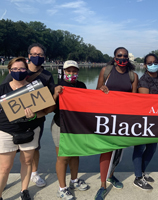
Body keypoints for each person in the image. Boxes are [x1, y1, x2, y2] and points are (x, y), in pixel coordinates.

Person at [0, 57, 56, 200]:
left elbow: (47, 110)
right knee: (5, 167)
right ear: (9, 70)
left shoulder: (36, 89)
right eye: (15, 69)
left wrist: (34, 115)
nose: (19, 71)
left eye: (22, 69)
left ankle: (24, 190)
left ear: (27, 70)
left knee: (27, 161)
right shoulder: (2, 89)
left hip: (30, 130)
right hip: (6, 130)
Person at [95, 47, 138, 200]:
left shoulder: (133, 76)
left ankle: (111, 175)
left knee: (118, 151)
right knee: (106, 150)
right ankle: (102, 185)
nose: (122, 58)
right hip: (106, 118)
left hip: (122, 120)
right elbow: (96, 91)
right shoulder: (106, 71)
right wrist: (102, 88)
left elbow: (134, 100)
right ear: (114, 57)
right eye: (119, 55)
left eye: (125, 56)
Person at [50, 60, 89, 200]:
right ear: (64, 71)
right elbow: (49, 109)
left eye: (74, 71)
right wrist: (55, 94)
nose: (71, 74)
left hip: (75, 126)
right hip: (60, 126)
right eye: (68, 71)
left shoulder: (81, 85)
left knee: (74, 154)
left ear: (77, 72)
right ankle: (62, 188)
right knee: (63, 157)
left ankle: (74, 181)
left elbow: (88, 104)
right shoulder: (57, 86)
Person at [132, 53, 158, 191]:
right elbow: (145, 102)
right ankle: (138, 177)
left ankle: (142, 172)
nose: (153, 65)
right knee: (140, 148)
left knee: (152, 148)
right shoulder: (143, 80)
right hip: (144, 119)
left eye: (155, 62)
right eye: (150, 63)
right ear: (145, 65)